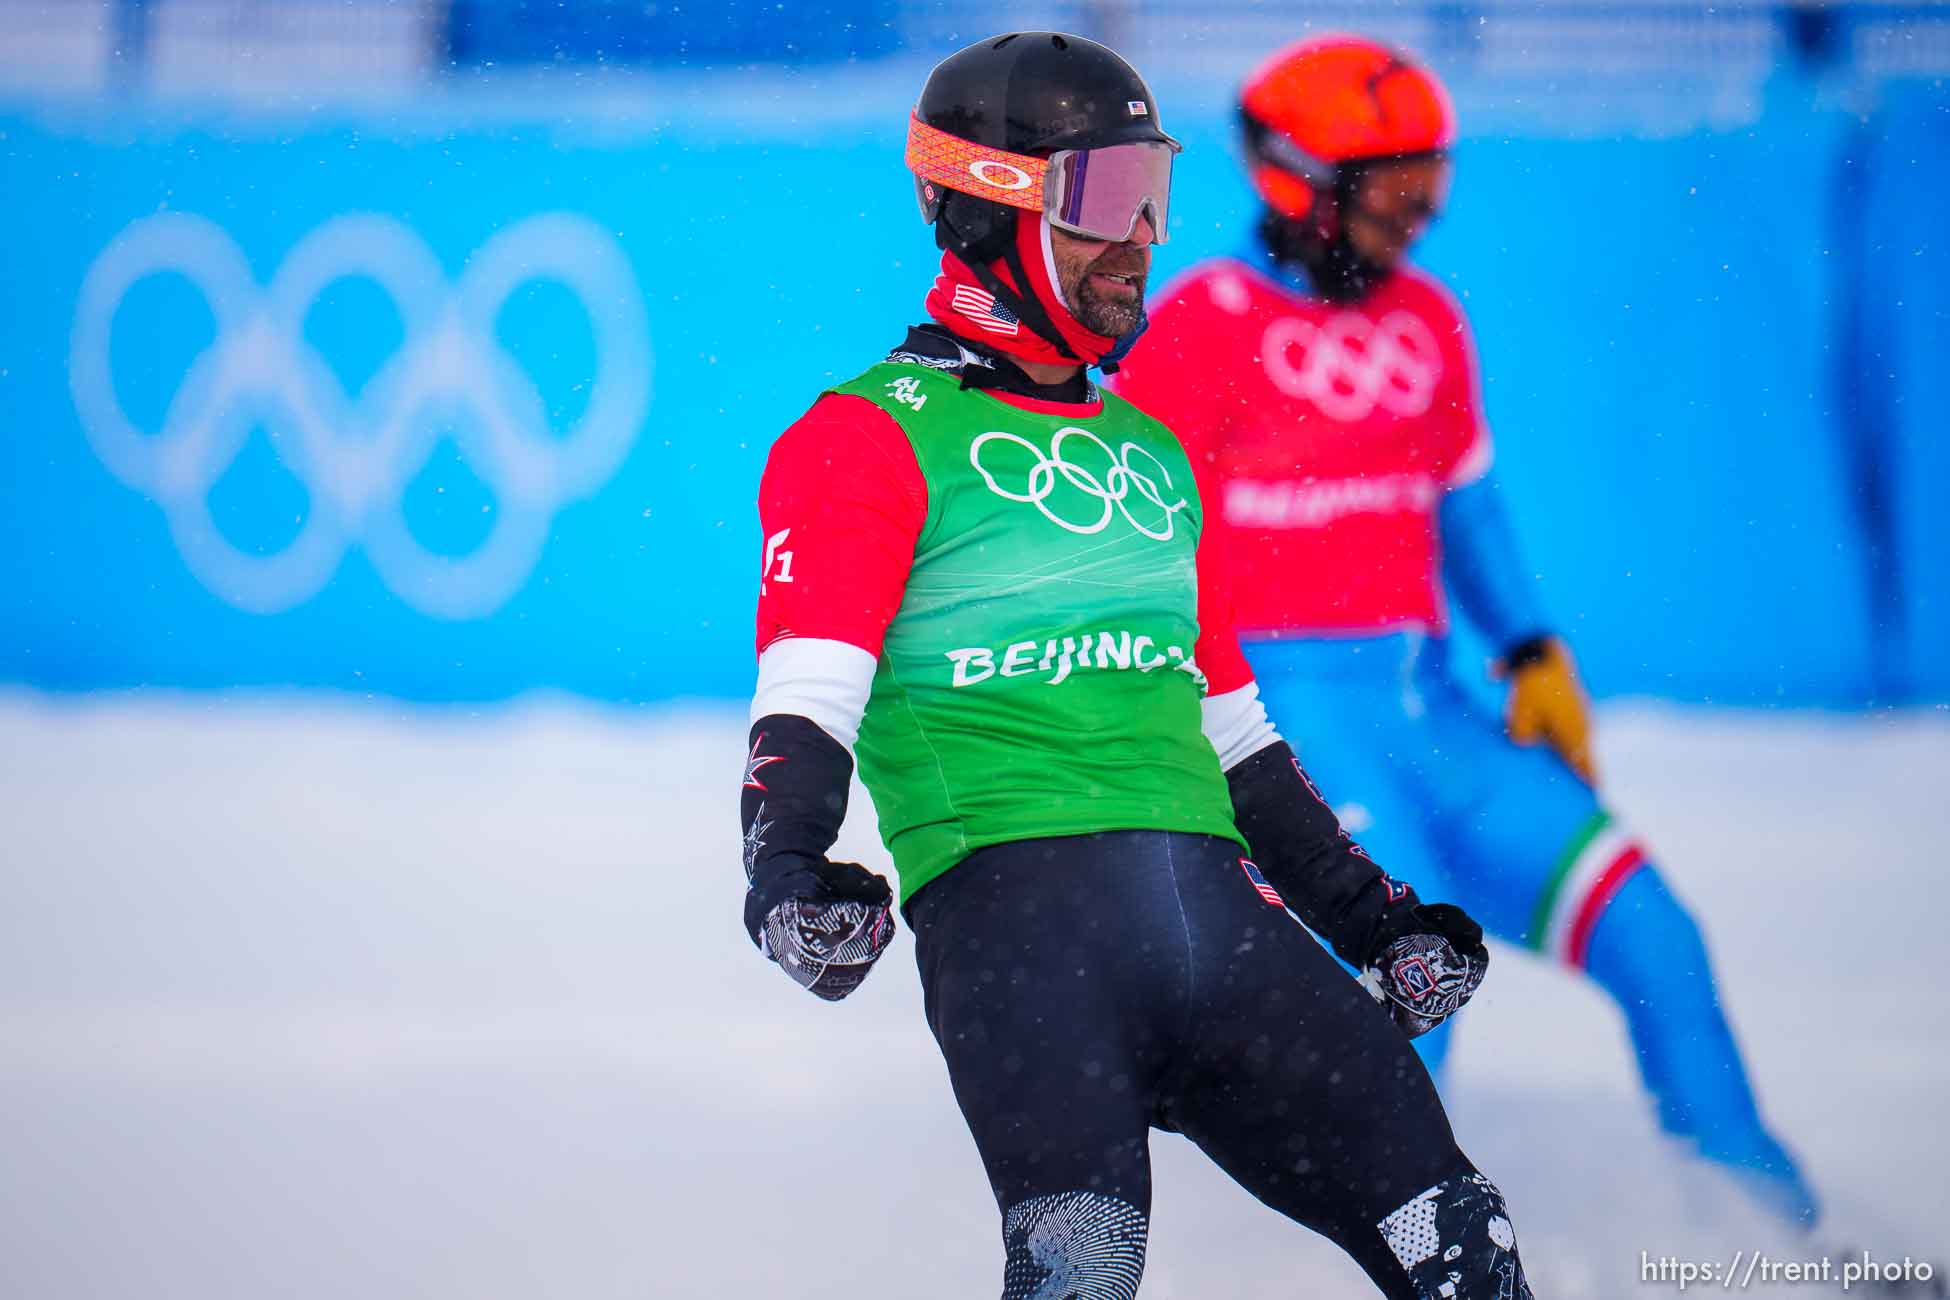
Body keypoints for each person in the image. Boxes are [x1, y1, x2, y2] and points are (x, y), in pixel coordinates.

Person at [739, 30, 1534, 1300]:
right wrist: (785, 868)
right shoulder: (863, 436)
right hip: (1026, 958)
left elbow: (1238, 743)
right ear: (992, 204)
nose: (1144, 238)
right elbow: (809, 693)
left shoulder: (1154, 455)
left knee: (1464, 1240)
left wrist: (1369, 918)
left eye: (1153, 193)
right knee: (1083, 1277)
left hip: (1229, 936)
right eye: (1106, 198)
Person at [1110, 34, 1819, 1232]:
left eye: (1430, 189)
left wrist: (1533, 647)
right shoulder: (1201, 324)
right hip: (1278, 725)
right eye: (1393, 192)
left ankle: (1773, 1235)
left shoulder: (1429, 320)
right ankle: (1409, 1248)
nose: (1417, 223)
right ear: (1299, 180)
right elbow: (1130, 545)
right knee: (1413, 972)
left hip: (1434, 715)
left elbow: (1469, 504)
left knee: (1657, 932)